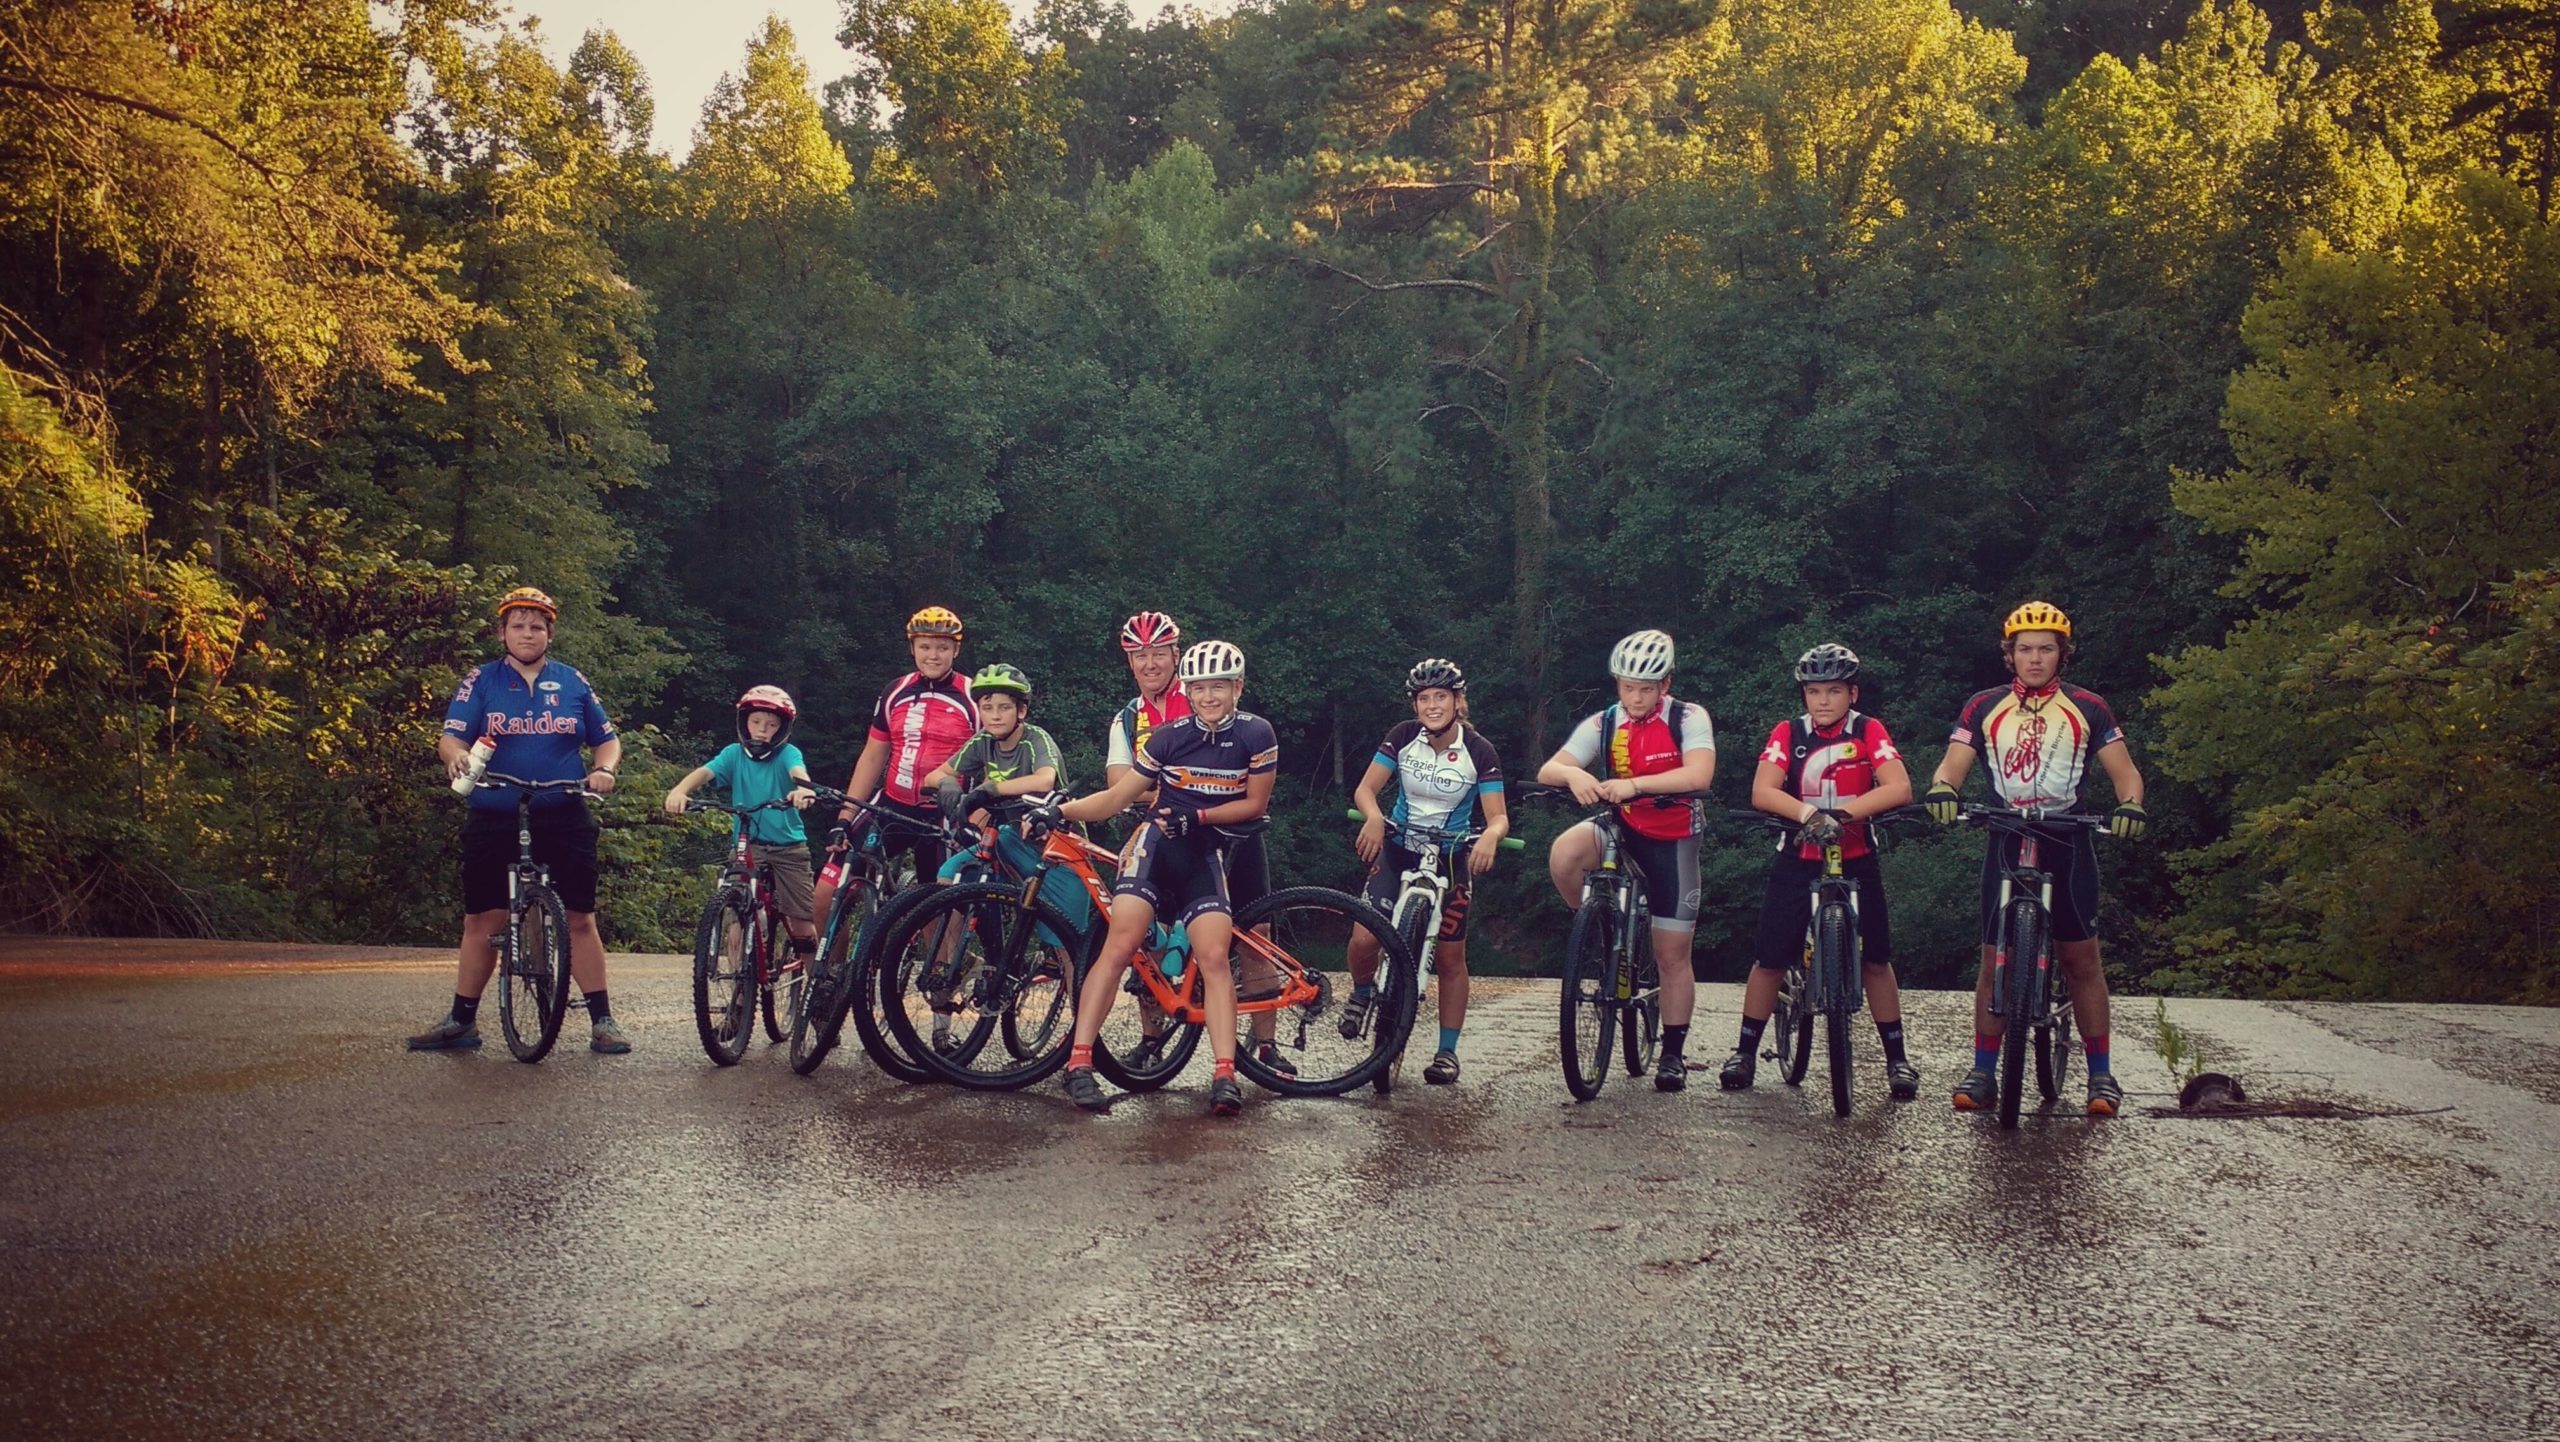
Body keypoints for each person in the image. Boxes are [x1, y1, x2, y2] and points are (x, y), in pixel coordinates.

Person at [1924, 601, 2148, 1117]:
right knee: (1991, 957)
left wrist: (2130, 802)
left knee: (2081, 960)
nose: (2035, 658)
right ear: (2010, 654)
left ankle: (2101, 1075)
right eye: (2024, 649)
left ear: (2061, 654)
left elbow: (2124, 771)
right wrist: (1942, 788)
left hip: (2068, 836)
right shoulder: (1983, 705)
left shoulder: (2088, 706)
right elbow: (1953, 764)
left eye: (2046, 649)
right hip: (2005, 834)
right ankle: (1982, 1071)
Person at [1045, 639, 1277, 1117]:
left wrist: (1200, 819)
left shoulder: (1257, 734)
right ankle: (1080, 1064)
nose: (1208, 696)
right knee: (1121, 942)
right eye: (1199, 687)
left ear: (1238, 687)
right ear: (1186, 691)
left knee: (1214, 955)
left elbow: (1255, 805)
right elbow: (1114, 799)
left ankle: (1224, 1074)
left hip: (1203, 852)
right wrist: (1058, 812)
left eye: (1218, 686)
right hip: (1158, 848)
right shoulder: (1168, 737)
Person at [411, 586, 628, 1054]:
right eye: (518, 626)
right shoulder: (481, 680)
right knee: (482, 919)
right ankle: (462, 1020)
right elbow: (450, 737)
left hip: (563, 807)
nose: (527, 633)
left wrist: (604, 769)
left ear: (549, 633)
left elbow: (606, 740)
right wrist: (457, 758)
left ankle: (603, 1021)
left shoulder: (573, 681)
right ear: (502, 632)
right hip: (495, 810)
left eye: (536, 626)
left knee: (579, 919)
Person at [1724, 644, 1918, 1098]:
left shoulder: (1869, 730)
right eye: (1814, 692)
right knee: (1770, 958)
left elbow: (1899, 786)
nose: (1824, 701)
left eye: (1834, 691)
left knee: (1876, 960)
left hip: (1856, 855)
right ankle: (1745, 1051)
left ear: (1853, 693)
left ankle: (1898, 1059)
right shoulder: (1789, 733)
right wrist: (1810, 816)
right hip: (1798, 855)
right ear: (1804, 695)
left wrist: (1846, 815)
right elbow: (1763, 791)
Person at [1537, 629, 1718, 1091]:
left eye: (1646, 688)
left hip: (1673, 838)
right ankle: (1596, 928)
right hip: (1621, 826)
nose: (1635, 697)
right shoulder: (1606, 721)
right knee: (1564, 853)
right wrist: (1576, 774)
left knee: (1671, 954)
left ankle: (1673, 1054)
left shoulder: (1689, 717)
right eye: (1627, 686)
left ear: (1665, 684)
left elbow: (1699, 773)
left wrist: (1636, 785)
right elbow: (1550, 768)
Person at [1342, 658, 1508, 1085]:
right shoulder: (1401, 737)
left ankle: (1447, 1052)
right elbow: (1366, 788)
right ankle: (1361, 995)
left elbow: (1498, 817)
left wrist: (1490, 837)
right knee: (1364, 938)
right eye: (1424, 699)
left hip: (1451, 856)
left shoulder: (1479, 750)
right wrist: (1374, 818)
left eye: (1440, 697)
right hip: (1399, 847)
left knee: (1451, 958)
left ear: (1457, 701)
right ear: (1415, 705)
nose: (1432, 705)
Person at [662, 687, 821, 1030]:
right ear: (744, 723)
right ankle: (737, 996)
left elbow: (798, 773)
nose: (762, 730)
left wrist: (804, 789)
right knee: (738, 915)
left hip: (787, 848)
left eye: (771, 724)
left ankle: (819, 996)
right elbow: (704, 773)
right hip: (747, 845)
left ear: (783, 729)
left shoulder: (787, 754)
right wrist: (680, 791)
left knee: (803, 923)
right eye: (756, 721)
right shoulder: (733, 754)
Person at [812, 607, 976, 923]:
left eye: (942, 647)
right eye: (925, 646)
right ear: (912, 647)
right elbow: (873, 756)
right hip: (891, 805)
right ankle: (829, 972)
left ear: (956, 649)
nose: (933, 655)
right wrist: (844, 817)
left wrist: (976, 816)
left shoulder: (973, 695)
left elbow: (988, 759)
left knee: (936, 913)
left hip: (943, 813)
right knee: (825, 894)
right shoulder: (895, 690)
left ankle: (936, 970)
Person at [922, 663, 1065, 832]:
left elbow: (1044, 781)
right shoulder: (983, 740)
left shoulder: (1035, 739)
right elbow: (932, 776)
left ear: (1021, 711)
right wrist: (946, 782)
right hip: (1012, 831)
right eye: (987, 708)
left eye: (1004, 708)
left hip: (1056, 835)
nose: (995, 716)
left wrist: (989, 790)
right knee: (957, 856)